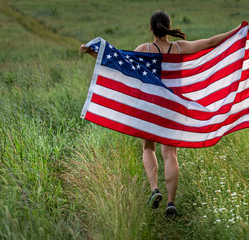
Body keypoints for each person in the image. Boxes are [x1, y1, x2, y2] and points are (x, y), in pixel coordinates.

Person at [80, 10, 240, 217]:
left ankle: (155, 189)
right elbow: (210, 42)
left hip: (150, 105)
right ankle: (171, 202)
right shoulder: (179, 48)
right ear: (168, 27)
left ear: (150, 28)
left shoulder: (143, 49)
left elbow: (117, 63)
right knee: (170, 154)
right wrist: (237, 31)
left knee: (148, 148)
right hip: (172, 106)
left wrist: (91, 51)